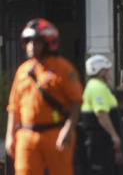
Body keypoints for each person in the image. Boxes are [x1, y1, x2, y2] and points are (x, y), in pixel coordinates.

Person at [5, 18, 83, 175]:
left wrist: (68, 128)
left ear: (48, 43)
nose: (32, 45)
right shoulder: (23, 71)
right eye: (29, 41)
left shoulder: (63, 68)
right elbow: (14, 106)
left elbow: (76, 100)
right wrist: (10, 135)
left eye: (37, 41)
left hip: (56, 132)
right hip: (26, 135)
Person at [81, 55, 123, 175]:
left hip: (103, 142)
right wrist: (114, 136)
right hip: (100, 142)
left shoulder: (100, 86)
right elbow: (101, 114)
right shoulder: (96, 87)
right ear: (101, 72)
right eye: (107, 70)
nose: (109, 72)